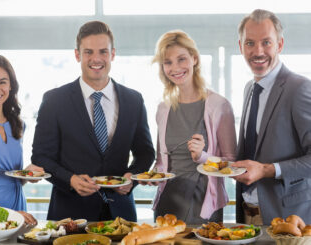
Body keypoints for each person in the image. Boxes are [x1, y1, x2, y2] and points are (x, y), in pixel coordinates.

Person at [31, 21, 155, 222]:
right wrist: (70, 180)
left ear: (112, 54)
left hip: (121, 215)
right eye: (88, 52)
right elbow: (41, 157)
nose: (96, 59)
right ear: (77, 55)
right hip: (70, 214)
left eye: (103, 52)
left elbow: (145, 152)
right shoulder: (54, 100)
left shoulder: (134, 100)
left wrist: (132, 178)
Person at [233, 9, 311, 225]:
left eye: (266, 42)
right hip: (247, 214)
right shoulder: (249, 88)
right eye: (250, 43)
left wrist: (267, 170)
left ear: (280, 44)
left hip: (287, 218)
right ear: (240, 47)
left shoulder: (300, 89)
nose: (258, 51)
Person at [150, 30, 236, 224]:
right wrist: (153, 176)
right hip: (167, 202)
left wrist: (202, 157)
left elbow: (232, 164)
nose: (175, 68)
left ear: (194, 59)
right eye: (168, 62)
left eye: (181, 59)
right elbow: (161, 161)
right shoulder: (163, 109)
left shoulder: (219, 105)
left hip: (202, 202)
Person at [0, 55, 42, 225]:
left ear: (11, 86)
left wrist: (28, 174)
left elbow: (11, 179)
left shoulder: (18, 125)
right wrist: (6, 215)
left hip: (19, 214)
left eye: (2, 82)